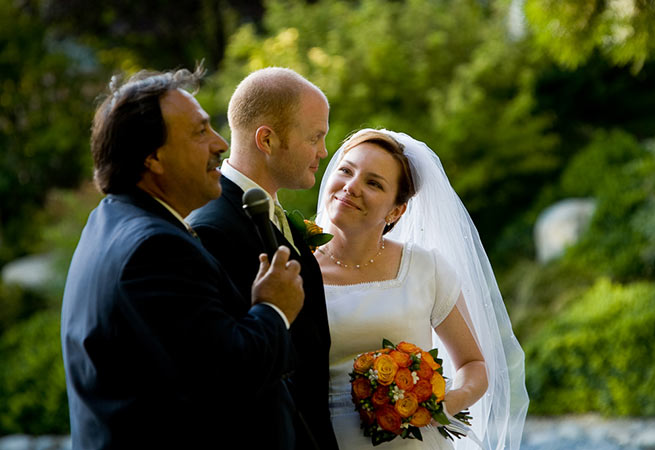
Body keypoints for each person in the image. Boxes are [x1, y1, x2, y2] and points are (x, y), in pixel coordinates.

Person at [61, 67, 305, 449]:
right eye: (199, 132)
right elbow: (226, 376)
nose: (220, 144)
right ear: (153, 157)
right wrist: (274, 309)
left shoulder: (110, 221)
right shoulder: (154, 249)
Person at [315, 129, 529, 449]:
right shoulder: (294, 267)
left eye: (373, 183)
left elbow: (474, 366)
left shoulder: (424, 268)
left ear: (395, 211)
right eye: (346, 170)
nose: (351, 186)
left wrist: (437, 407)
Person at [187, 67, 339, 449]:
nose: (323, 152)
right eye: (315, 137)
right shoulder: (211, 229)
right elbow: (229, 368)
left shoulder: (273, 214)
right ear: (267, 140)